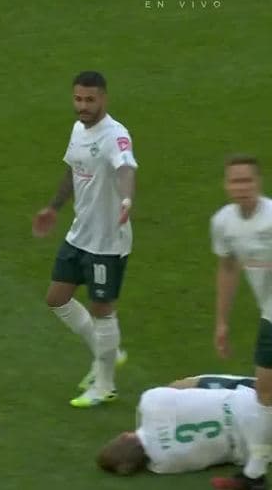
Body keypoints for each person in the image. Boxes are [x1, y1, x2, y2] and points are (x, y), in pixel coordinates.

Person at [32, 71, 137, 408]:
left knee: (102, 309)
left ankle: (105, 385)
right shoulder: (79, 129)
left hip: (107, 240)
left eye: (90, 100)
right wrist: (53, 207)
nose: (83, 106)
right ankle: (108, 353)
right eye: (78, 99)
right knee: (56, 298)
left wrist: (126, 199)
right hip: (80, 233)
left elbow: (126, 169)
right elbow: (72, 169)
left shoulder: (115, 135)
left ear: (103, 98)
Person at [209, 154, 272, 489]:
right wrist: (222, 322)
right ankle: (255, 473)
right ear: (226, 185)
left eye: (247, 180)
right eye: (235, 181)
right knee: (265, 388)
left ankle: (254, 472)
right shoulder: (223, 223)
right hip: (269, 312)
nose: (241, 186)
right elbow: (228, 268)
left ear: (258, 183)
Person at [96, 373, 257, 487]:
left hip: (254, 448)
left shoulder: (163, 466)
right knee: (178, 386)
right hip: (252, 401)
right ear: (125, 435)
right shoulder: (150, 401)